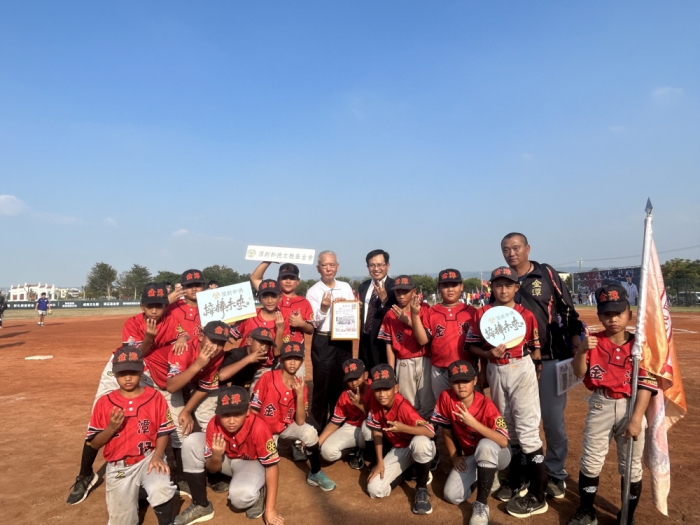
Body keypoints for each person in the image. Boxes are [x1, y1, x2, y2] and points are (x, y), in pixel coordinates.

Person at [66, 282, 176, 506]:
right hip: (123, 366)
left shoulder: (173, 319)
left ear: (166, 305)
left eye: (160, 305)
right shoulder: (133, 323)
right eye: (150, 305)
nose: (155, 310)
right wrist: (149, 338)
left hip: (151, 370)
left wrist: (181, 337)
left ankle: (151, 473)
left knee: (157, 414)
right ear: (142, 306)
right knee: (103, 416)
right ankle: (85, 474)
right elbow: (133, 356)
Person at [566, 284, 657, 525]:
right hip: (601, 404)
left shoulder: (639, 346)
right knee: (591, 460)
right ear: (599, 316)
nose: (613, 319)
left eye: (618, 313)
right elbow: (579, 373)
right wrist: (581, 351)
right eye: (607, 314)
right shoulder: (593, 341)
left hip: (631, 406)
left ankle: (627, 515)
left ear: (630, 314)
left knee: (631, 466)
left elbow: (646, 385)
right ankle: (587, 511)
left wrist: (636, 419)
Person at [500, 232, 583, 498]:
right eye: (506, 249)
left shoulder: (546, 274)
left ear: (527, 248)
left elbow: (568, 311)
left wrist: (574, 347)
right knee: (519, 419)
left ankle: (556, 472)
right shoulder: (503, 281)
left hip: (550, 359)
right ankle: (526, 470)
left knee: (552, 420)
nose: (511, 253)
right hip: (518, 363)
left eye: (516, 247)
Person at [468, 266, 548, 518]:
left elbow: (535, 348)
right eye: (498, 285)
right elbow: (472, 346)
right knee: (506, 427)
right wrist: (486, 355)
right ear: (491, 287)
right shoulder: (482, 313)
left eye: (508, 285)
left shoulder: (526, 314)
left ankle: (538, 494)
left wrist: (535, 371)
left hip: (520, 367)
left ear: (516, 287)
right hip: (495, 368)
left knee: (527, 431)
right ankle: (516, 481)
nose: (503, 290)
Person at [86, 346, 177, 525]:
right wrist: (111, 428)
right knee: (123, 521)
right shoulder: (104, 403)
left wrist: (158, 455)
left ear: (142, 371)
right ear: (114, 373)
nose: (128, 378)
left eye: (133, 372)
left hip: (148, 458)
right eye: (122, 373)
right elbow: (94, 444)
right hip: (119, 467)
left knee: (161, 487)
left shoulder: (155, 397)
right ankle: (136, 495)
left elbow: (163, 430)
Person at [174, 386, 284, 525]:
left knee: (240, 499)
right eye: (225, 415)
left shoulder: (259, 426)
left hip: (251, 464)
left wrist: (270, 510)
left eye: (237, 414)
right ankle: (200, 504)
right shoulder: (214, 423)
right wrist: (215, 456)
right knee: (192, 441)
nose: (231, 421)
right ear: (218, 412)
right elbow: (212, 469)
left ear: (248, 410)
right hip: (225, 460)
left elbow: (271, 466)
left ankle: (258, 489)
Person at [431, 360, 510, 525]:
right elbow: (446, 430)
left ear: (474, 380)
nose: (461, 386)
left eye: (465, 381)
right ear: (450, 382)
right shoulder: (446, 397)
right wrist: (454, 457)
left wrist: (473, 423)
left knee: (485, 445)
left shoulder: (486, 404)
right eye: (456, 381)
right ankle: (484, 474)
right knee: (452, 495)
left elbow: (503, 441)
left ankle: (481, 504)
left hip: (499, 454)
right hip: (473, 455)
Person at [251, 342, 337, 491]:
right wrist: (255, 434)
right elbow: (254, 409)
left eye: (296, 359)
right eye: (288, 358)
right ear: (281, 360)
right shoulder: (267, 378)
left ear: (302, 362)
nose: (292, 362)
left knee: (310, 432)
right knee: (263, 464)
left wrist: (299, 395)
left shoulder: (300, 385)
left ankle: (315, 473)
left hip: (285, 426)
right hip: (264, 429)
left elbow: (300, 421)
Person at [166, 321, 229, 493]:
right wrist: (198, 364)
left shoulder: (218, 354)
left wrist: (188, 410)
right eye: (212, 340)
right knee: (181, 427)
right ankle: (182, 477)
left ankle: (214, 470)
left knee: (210, 421)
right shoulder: (184, 349)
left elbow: (206, 386)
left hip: (190, 379)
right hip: (160, 380)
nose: (215, 347)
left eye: (221, 343)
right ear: (201, 336)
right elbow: (171, 386)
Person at [366, 364, 436, 515]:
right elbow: (376, 430)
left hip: (417, 446)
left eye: (386, 389)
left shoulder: (404, 407)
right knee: (375, 489)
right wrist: (379, 462)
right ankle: (410, 472)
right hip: (400, 449)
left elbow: (430, 432)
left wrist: (404, 428)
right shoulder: (375, 401)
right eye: (377, 389)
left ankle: (421, 487)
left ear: (396, 388)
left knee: (420, 442)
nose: (382, 394)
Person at [306, 250, 358, 431]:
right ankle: (317, 430)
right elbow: (313, 322)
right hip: (323, 341)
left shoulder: (345, 287)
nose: (328, 268)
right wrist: (323, 308)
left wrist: (352, 306)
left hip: (343, 341)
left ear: (337, 266)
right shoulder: (313, 292)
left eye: (332, 265)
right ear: (318, 268)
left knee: (342, 384)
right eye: (324, 265)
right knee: (322, 387)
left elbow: (352, 312)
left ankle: (338, 427)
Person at [411, 269, 478, 403]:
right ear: (439, 287)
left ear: (461, 286)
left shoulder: (471, 312)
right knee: (443, 405)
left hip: (467, 369)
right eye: (445, 285)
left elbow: (478, 343)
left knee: (468, 406)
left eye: (454, 285)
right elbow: (423, 340)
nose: (450, 289)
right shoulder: (431, 312)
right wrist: (414, 315)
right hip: (440, 369)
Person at [378, 275, 433, 419]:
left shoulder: (425, 309)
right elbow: (389, 345)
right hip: (403, 362)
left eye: (405, 291)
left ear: (414, 291)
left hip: (424, 359)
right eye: (398, 292)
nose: (401, 295)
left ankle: (428, 431)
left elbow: (424, 340)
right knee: (408, 403)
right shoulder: (390, 314)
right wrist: (391, 371)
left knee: (427, 402)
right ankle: (411, 430)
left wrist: (408, 320)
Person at [230, 279, 288, 384]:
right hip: (244, 364)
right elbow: (232, 334)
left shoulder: (283, 320)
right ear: (259, 298)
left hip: (265, 369)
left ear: (280, 297)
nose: (270, 301)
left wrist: (279, 330)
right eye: (265, 296)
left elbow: (277, 352)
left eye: (273, 296)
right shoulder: (249, 314)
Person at [318, 358, 372, 469]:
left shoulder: (375, 389)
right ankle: (351, 451)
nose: (354, 383)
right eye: (350, 379)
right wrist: (317, 443)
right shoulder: (345, 394)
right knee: (327, 452)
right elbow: (334, 423)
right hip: (351, 427)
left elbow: (379, 418)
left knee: (368, 427)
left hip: (369, 430)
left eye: (357, 378)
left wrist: (360, 405)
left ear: (365, 375)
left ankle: (373, 458)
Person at [358, 249, 396, 370]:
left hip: (384, 343)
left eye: (380, 265)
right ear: (367, 267)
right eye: (372, 265)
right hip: (365, 341)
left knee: (383, 376)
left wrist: (385, 300)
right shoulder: (363, 286)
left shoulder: (394, 287)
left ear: (387, 266)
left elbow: (396, 316)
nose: (376, 269)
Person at [218, 326, 274, 391]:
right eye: (261, 344)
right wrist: (248, 359)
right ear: (249, 341)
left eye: (267, 346)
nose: (264, 349)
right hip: (223, 392)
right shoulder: (235, 354)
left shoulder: (262, 359)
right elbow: (222, 376)